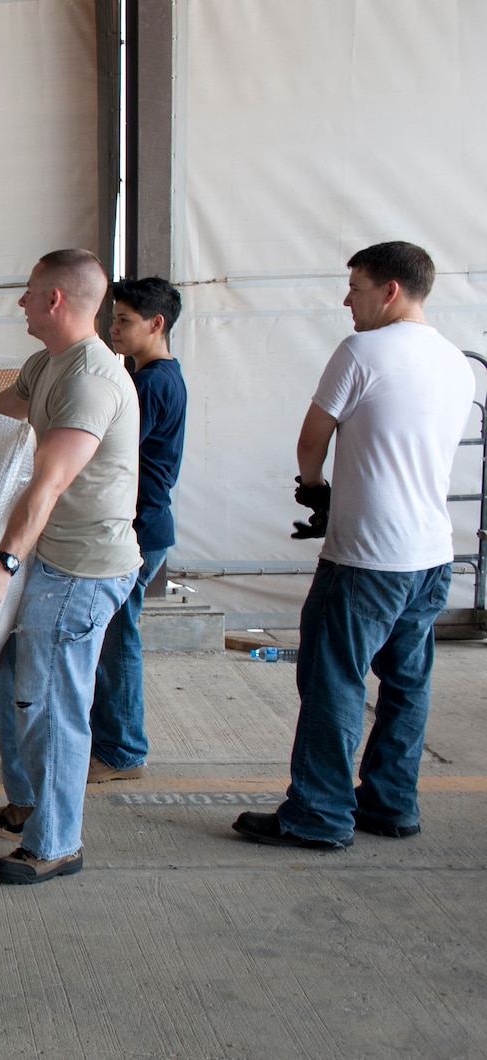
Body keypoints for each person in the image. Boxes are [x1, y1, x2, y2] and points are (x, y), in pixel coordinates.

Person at [233, 241, 475, 851]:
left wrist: (315, 491)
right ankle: (391, 804)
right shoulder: (455, 362)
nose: (348, 298)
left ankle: (317, 815)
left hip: (368, 557)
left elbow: (312, 439)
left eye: (357, 286)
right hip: (430, 556)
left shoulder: (362, 351)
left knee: (332, 681)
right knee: (406, 684)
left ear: (390, 289)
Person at [0, 249, 141, 885]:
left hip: (83, 568)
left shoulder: (92, 378)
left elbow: (49, 482)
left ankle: (57, 843)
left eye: (29, 291)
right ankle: (31, 802)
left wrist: (2, 564)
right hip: (55, 556)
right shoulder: (48, 363)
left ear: (56, 300)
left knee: (54, 702)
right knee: (10, 670)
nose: (21, 302)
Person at [89, 277, 188, 783]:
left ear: (157, 324)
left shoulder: (149, 384)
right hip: (148, 525)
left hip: (139, 528)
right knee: (111, 633)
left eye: (125, 320)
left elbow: (107, 450)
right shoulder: (161, 377)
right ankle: (110, 743)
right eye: (113, 319)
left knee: (116, 637)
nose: (114, 329)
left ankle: (121, 752)